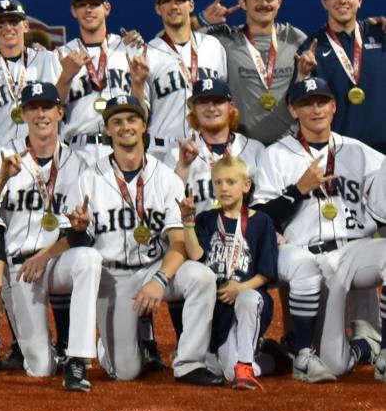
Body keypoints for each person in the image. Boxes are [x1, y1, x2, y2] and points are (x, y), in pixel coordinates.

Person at [75, 95, 221, 385]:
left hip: (155, 267)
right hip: (113, 277)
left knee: (202, 276)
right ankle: (110, 346)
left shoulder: (166, 178)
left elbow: (178, 241)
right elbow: (80, 242)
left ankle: (189, 362)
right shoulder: (89, 177)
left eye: (131, 120)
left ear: (144, 126)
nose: (124, 127)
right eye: (116, 122)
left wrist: (161, 279)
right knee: (126, 373)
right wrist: (79, 229)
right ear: (107, 130)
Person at [0, 82, 102, 391]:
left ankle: (77, 359)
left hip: (56, 260)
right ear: (22, 114)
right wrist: (2, 178)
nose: (41, 113)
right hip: (19, 270)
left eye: (47, 107)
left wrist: (48, 253)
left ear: (60, 112)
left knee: (89, 259)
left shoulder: (79, 163)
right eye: (33, 107)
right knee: (40, 369)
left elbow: (83, 235)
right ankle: (48, 356)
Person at [252, 77, 383, 381]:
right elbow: (260, 218)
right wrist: (298, 189)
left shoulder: (360, 152)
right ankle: (364, 345)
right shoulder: (277, 155)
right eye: (306, 104)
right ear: (293, 111)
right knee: (330, 360)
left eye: (321, 102)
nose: (316, 110)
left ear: (334, 106)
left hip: (354, 252)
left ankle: (380, 348)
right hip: (308, 258)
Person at [180, 155, 279, 389]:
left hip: (249, 298)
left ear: (246, 185)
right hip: (219, 305)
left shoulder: (262, 221)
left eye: (231, 182)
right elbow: (196, 255)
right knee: (226, 371)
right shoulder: (206, 219)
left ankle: (246, 366)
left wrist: (239, 288)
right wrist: (188, 221)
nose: (224, 188)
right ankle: (272, 358)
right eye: (218, 183)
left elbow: (266, 273)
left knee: (248, 298)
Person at [198, 0, 310, 143]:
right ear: (242, 3)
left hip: (289, 146)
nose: (263, 3)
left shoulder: (295, 38)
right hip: (241, 147)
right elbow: (172, 38)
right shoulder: (225, 38)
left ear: (279, 1)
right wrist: (201, 20)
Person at [141, 0, 227, 159]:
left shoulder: (213, 46)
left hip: (208, 149)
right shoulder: (148, 52)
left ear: (191, 5)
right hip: (162, 151)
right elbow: (142, 111)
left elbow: (224, 100)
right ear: (158, 9)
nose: (173, 6)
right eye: (166, 1)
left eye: (179, 0)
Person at [302, 0, 385, 154]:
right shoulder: (312, 48)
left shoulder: (381, 35)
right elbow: (298, 104)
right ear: (324, 2)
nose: (342, 0)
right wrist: (302, 75)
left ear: (360, 0)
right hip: (341, 153)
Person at [55, 0, 136, 166]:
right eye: (81, 5)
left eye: (94, 4)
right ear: (73, 11)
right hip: (77, 150)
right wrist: (66, 75)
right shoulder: (61, 55)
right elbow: (52, 108)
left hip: (122, 146)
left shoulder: (127, 48)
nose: (88, 10)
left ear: (107, 8)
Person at [164, 78, 264, 214]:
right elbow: (166, 204)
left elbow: (264, 204)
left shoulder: (255, 150)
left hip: (243, 232)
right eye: (203, 102)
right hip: (196, 232)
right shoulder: (177, 153)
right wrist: (182, 167)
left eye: (218, 102)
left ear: (231, 107)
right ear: (194, 110)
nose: (211, 108)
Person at [0, 0, 59, 154]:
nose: (7, 27)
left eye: (14, 21)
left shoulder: (47, 60)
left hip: (42, 154)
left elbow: (64, 104)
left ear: (26, 26)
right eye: (0, 23)